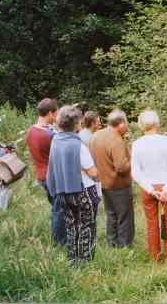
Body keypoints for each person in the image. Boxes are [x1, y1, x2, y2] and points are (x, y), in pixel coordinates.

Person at [46, 105, 100, 264]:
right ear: (76, 124)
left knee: (71, 226)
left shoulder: (55, 140)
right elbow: (93, 172)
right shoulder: (78, 145)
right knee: (86, 226)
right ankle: (85, 262)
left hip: (64, 190)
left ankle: (73, 260)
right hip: (83, 191)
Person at [131, 110, 167, 261]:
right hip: (166, 186)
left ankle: (155, 257)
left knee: (152, 223)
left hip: (148, 188)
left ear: (141, 124)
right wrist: (166, 188)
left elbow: (135, 172)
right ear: (156, 122)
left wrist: (151, 189)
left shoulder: (137, 144)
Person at [89, 109, 134, 248]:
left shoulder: (96, 136)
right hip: (118, 185)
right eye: (126, 122)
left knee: (111, 214)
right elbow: (121, 167)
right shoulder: (116, 140)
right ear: (120, 123)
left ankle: (111, 243)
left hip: (103, 183)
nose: (126, 126)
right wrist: (134, 162)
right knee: (124, 216)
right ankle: (124, 246)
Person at [25, 98, 66, 244]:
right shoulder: (49, 135)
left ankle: (59, 237)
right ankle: (59, 242)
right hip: (53, 176)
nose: (56, 117)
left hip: (40, 175)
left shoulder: (31, 130)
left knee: (56, 207)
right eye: (55, 114)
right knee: (59, 210)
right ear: (50, 113)